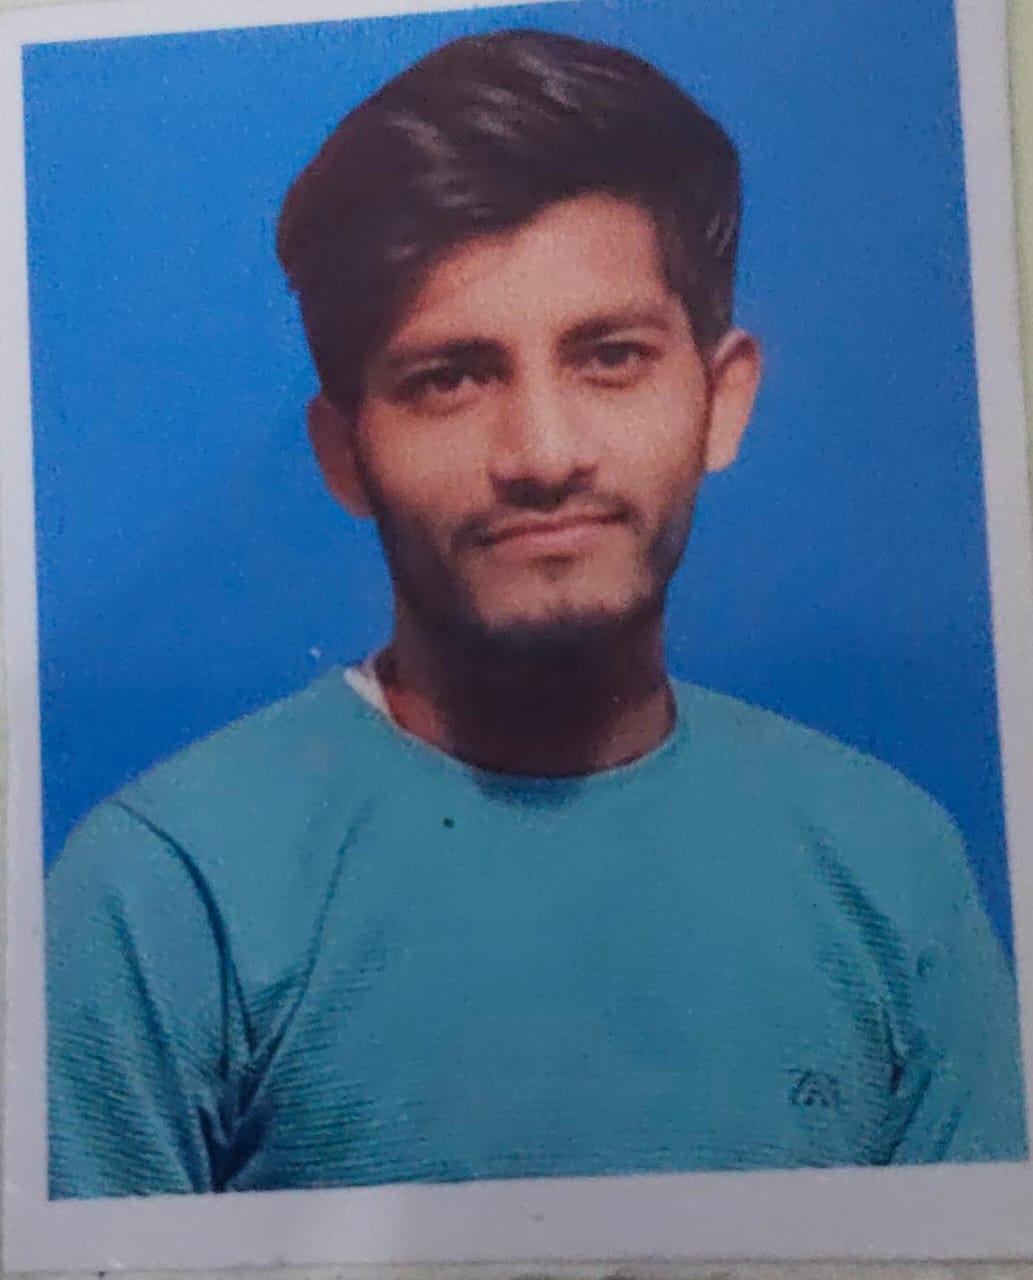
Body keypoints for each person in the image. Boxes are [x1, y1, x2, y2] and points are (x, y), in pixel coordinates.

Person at [46, 28, 1027, 1200]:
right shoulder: (163, 895)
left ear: (721, 398)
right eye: (450, 378)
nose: (544, 453)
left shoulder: (892, 866)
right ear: (344, 451)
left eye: (609, 356)